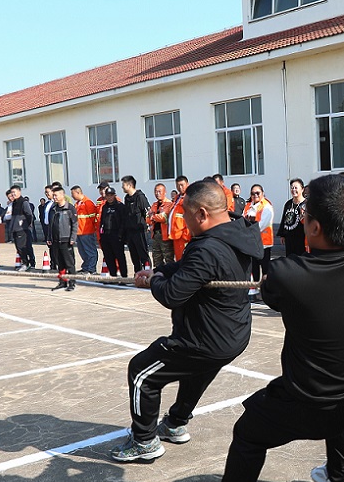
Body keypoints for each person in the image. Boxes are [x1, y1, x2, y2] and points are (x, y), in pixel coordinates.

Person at [193, 174, 344, 482]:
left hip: (309, 405)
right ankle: (337, 476)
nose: (301, 220)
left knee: (248, 432)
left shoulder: (288, 274)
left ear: (314, 227)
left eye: (305, 216)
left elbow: (272, 295)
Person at [111, 180, 262, 463]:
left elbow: (172, 294)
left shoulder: (207, 248)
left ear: (202, 214)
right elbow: (188, 268)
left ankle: (144, 441)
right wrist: (159, 271)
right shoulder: (236, 232)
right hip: (234, 335)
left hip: (205, 339)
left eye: (185, 215)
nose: (182, 222)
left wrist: (155, 281)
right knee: (197, 372)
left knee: (142, 372)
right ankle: (175, 423)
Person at [243, 184, 275, 282]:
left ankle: (266, 288)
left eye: (258, 193)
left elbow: (261, 225)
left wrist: (248, 230)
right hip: (252, 243)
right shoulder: (248, 206)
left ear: (263, 193)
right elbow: (242, 220)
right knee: (253, 267)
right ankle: (254, 287)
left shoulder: (267, 206)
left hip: (263, 243)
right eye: (253, 193)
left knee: (265, 268)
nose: (255, 195)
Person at [48, 188, 78, 291]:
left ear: (62, 195)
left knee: (69, 263)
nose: (54, 197)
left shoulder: (70, 208)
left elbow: (75, 224)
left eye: (56, 195)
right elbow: (51, 225)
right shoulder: (54, 209)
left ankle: (72, 283)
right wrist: (49, 237)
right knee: (60, 263)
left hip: (66, 240)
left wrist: (73, 238)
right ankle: (62, 282)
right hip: (56, 240)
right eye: (53, 195)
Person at [121, 176, 151, 274]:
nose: (122, 187)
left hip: (140, 231)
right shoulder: (127, 198)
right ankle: (138, 274)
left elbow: (147, 212)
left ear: (129, 185)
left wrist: (148, 226)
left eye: (123, 185)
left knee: (143, 255)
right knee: (134, 256)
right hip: (130, 232)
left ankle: (147, 274)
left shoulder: (140, 197)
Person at [4, 186, 38, 270]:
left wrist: (26, 225)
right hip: (15, 228)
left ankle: (27, 263)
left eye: (14, 192)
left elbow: (29, 215)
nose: (13, 194)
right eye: (12, 192)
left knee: (23, 246)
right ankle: (26, 262)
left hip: (22, 229)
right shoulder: (14, 203)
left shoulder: (23, 202)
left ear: (19, 192)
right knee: (19, 247)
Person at [99, 188, 130, 277]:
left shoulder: (120, 206)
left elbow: (124, 222)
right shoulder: (105, 207)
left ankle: (124, 276)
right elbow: (102, 221)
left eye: (111, 195)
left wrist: (121, 235)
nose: (109, 197)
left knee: (120, 257)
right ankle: (113, 276)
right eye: (108, 196)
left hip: (117, 235)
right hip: (106, 236)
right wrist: (101, 235)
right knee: (109, 257)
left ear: (114, 196)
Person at [72, 185, 100, 274]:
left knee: (90, 250)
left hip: (87, 231)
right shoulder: (77, 204)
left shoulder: (88, 203)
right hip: (79, 232)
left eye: (73, 194)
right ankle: (86, 267)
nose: (72, 196)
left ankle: (91, 268)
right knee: (82, 251)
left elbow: (93, 218)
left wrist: (92, 229)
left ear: (78, 192)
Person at [277, 178, 307, 260]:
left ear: (302, 189)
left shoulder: (306, 204)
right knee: (290, 259)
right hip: (289, 237)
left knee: (301, 259)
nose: (293, 190)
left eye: (296, 188)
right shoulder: (288, 203)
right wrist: (282, 234)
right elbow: (284, 219)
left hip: (301, 237)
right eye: (292, 188)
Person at [148, 182, 172, 269]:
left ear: (165, 192)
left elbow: (163, 218)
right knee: (157, 259)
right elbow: (147, 219)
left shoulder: (169, 204)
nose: (157, 194)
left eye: (159, 191)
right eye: (156, 191)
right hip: (155, 235)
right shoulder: (154, 204)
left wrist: (153, 216)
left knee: (168, 259)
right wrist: (153, 216)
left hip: (165, 236)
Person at [167, 175, 192, 262]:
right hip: (175, 235)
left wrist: (186, 235)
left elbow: (191, 217)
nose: (180, 187)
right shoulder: (177, 198)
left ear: (187, 184)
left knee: (184, 260)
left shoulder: (189, 198)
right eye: (178, 185)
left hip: (183, 236)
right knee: (178, 260)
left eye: (182, 185)